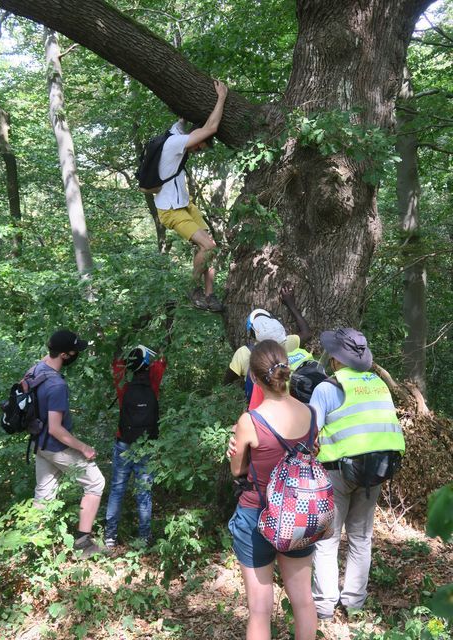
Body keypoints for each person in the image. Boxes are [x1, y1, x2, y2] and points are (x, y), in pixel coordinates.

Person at [309, 329, 405, 619]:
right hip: (376, 470)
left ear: (337, 360)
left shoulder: (328, 388)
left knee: (327, 540)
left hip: (337, 471)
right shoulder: (378, 385)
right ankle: (354, 604)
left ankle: (324, 608)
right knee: (361, 538)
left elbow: (309, 433)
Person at [228, 340, 317, 640]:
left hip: (257, 514)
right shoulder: (309, 414)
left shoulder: (250, 421)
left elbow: (237, 470)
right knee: (304, 601)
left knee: (260, 609)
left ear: (253, 377)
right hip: (300, 514)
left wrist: (234, 450)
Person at [154, 80, 228, 313]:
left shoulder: (176, 133)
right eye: (199, 146)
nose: (197, 150)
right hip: (170, 209)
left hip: (186, 204)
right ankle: (192, 288)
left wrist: (185, 112)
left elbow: (188, 124)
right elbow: (210, 128)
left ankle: (209, 295)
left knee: (212, 247)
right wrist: (221, 97)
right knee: (207, 245)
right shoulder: (174, 144)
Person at [33, 329, 106, 557]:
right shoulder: (56, 385)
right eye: (74, 351)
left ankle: (34, 546)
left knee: (43, 496)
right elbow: (56, 428)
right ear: (65, 355)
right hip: (55, 446)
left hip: (39, 443)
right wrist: (84, 447)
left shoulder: (35, 370)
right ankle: (83, 542)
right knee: (95, 483)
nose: (77, 354)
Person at [105, 345, 167, 547]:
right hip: (146, 445)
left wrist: (130, 348)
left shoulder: (122, 382)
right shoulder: (153, 383)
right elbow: (162, 358)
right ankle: (144, 536)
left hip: (124, 443)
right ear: (147, 365)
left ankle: (110, 536)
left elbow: (116, 361)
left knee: (117, 490)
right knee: (144, 491)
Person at [225, 282, 311, 405]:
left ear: (252, 333)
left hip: (260, 406)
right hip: (290, 404)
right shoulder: (287, 344)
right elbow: (306, 333)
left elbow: (227, 382)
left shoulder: (244, 353)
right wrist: (290, 304)